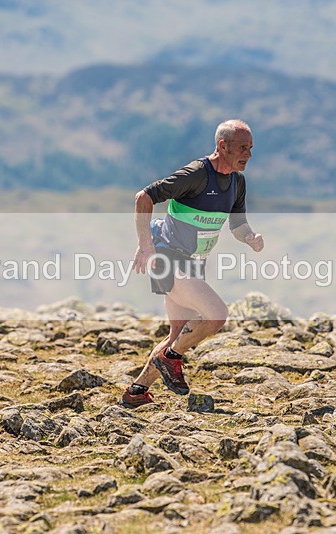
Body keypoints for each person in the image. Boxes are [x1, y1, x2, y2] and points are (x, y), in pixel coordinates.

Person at [120, 119, 264, 408]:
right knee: (216, 316)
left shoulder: (237, 181)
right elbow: (144, 197)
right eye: (242, 148)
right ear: (222, 146)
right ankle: (170, 358)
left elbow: (237, 223)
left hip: (193, 265)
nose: (248, 154)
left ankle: (136, 393)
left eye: (250, 148)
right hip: (168, 259)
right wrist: (145, 246)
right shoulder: (197, 174)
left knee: (177, 335)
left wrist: (249, 237)